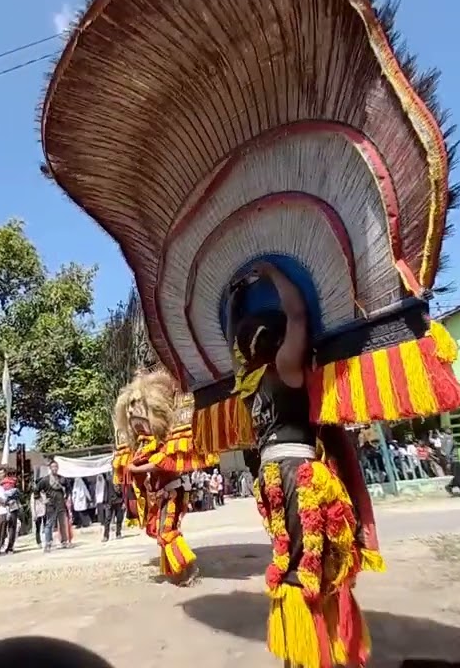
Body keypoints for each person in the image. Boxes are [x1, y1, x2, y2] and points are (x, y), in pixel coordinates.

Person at [229, 262, 382, 668]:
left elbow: (234, 337)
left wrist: (236, 297)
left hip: (272, 478)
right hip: (300, 475)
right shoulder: (285, 368)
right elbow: (297, 313)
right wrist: (273, 273)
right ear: (278, 341)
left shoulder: (247, 386)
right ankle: (311, 653)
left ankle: (308, 651)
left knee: (293, 558)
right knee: (308, 564)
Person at [114, 370, 217, 584]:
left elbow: (162, 462)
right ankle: (175, 571)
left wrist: (136, 469)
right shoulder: (143, 443)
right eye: (130, 407)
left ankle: (186, 569)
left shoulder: (165, 441)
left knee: (168, 531)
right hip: (160, 495)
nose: (132, 411)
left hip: (173, 491)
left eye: (137, 405)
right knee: (161, 533)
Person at [36, 461, 72, 551]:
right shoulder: (45, 480)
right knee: (49, 524)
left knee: (62, 524)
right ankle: (48, 543)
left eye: (56, 466)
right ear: (50, 468)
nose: (54, 468)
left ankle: (64, 541)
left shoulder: (62, 479)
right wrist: (43, 500)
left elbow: (68, 488)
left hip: (61, 504)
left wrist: (66, 497)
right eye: (53, 467)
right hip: (51, 505)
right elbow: (36, 490)